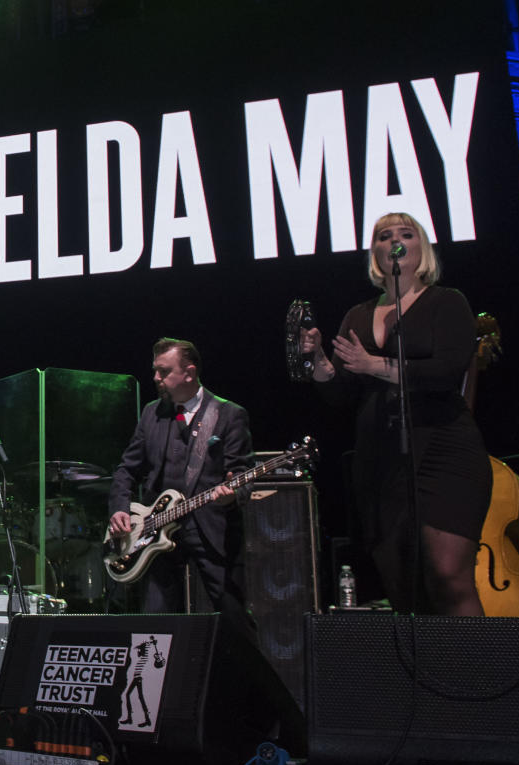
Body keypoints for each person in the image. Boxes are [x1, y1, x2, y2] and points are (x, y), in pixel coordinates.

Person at [300, 212, 491, 616]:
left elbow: (446, 372)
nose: (395, 241)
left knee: (447, 574)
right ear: (375, 252)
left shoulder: (447, 302)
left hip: (443, 450)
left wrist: (376, 367)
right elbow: (339, 392)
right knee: (402, 582)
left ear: (421, 248)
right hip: (381, 461)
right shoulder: (358, 314)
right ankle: (428, 679)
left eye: (406, 234)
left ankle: (478, 675)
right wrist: (317, 358)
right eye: (385, 236)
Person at [107, 338, 255, 638]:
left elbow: (242, 474)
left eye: (163, 372)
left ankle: (246, 682)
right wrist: (120, 509)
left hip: (209, 526)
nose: (156, 378)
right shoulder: (151, 413)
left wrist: (231, 495)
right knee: (155, 624)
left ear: (189, 372)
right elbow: (126, 469)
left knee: (232, 616)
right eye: (155, 371)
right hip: (155, 529)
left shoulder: (228, 414)